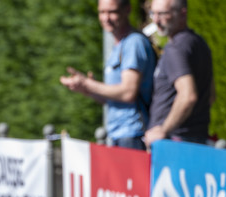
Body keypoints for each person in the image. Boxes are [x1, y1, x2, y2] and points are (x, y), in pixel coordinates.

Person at [60, 0, 156, 150]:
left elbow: (128, 92)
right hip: (118, 134)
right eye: (102, 12)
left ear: (127, 10)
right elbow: (114, 98)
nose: (106, 18)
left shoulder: (134, 43)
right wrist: (86, 89)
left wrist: (89, 84)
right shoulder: (118, 45)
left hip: (133, 134)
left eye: (112, 12)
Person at [143, 0, 215, 148]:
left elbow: (188, 95)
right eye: (153, 13)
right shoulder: (199, 43)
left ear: (182, 13)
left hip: (174, 142)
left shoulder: (175, 48)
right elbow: (211, 96)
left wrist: (163, 129)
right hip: (195, 139)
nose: (156, 20)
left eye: (162, 14)